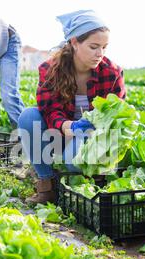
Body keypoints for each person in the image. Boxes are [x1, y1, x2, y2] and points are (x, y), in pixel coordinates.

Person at [18, 10, 126, 204]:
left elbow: (116, 115)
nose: (100, 54)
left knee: (73, 159)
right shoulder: (50, 69)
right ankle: (47, 186)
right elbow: (49, 109)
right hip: (60, 132)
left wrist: (93, 130)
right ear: (75, 42)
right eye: (94, 47)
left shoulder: (112, 73)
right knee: (28, 117)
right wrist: (69, 127)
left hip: (96, 138)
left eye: (104, 47)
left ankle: (91, 182)